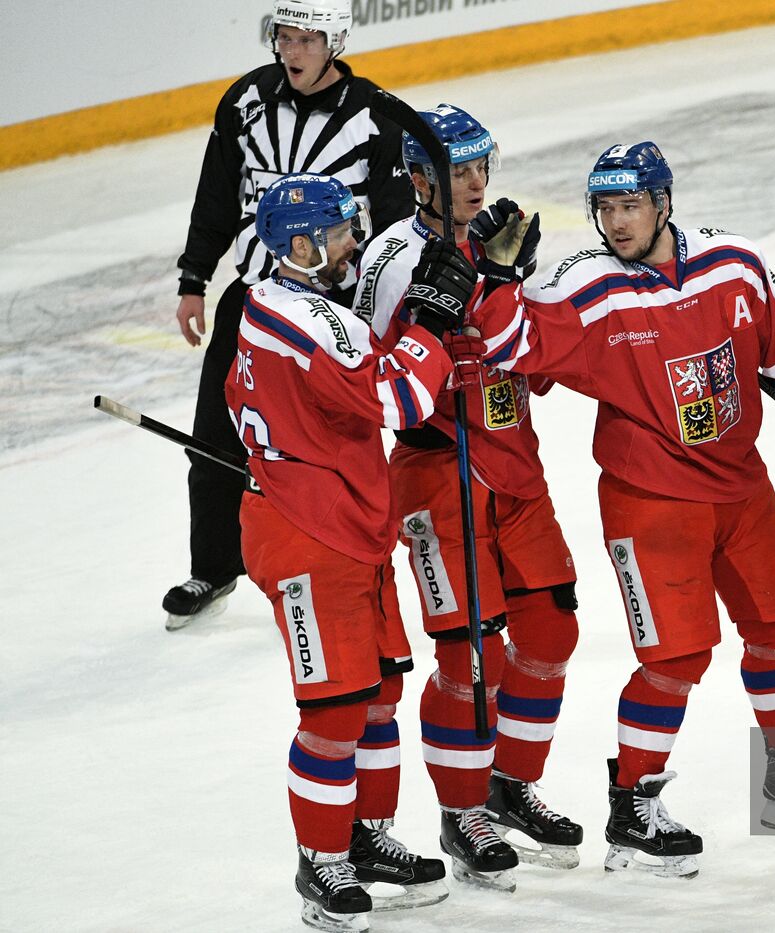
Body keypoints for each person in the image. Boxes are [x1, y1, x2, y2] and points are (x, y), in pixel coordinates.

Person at [460, 141, 775, 878]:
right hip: (649, 498)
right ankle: (633, 807)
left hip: (741, 487)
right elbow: (508, 344)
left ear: (663, 201)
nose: (617, 223)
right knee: (677, 653)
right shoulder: (584, 287)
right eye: (605, 209)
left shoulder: (734, 263)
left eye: (631, 205)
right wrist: (496, 279)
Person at [227, 172, 480, 931]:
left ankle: (365, 838)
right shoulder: (311, 320)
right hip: (309, 535)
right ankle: (322, 861)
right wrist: (432, 323)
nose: (353, 244)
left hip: (345, 518)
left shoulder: (284, 301)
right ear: (301, 247)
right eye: (340, 233)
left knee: (376, 693)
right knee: (334, 710)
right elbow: (402, 401)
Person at [352, 104, 583, 891]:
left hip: (515, 459)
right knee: (467, 653)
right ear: (418, 178)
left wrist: (510, 289)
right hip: (435, 474)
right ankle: (462, 810)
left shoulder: (509, 236)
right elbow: (387, 393)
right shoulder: (388, 261)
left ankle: (510, 785)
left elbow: (544, 360)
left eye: (483, 164)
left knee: (551, 630)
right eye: (458, 171)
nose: (478, 182)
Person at [164, 0, 413, 631]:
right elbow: (218, 190)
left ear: (334, 40)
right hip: (251, 301)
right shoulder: (246, 102)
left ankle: (355, 556)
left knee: (331, 445)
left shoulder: (376, 117)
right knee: (214, 434)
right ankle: (214, 565)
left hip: (332, 309)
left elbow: (393, 226)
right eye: (284, 36)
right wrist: (195, 276)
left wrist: (395, 305)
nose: (292, 50)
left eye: (306, 38)